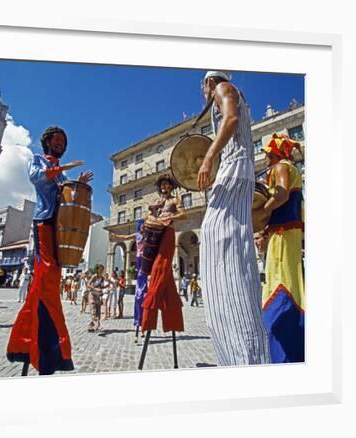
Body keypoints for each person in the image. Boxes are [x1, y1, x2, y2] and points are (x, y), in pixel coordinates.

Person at [6, 126, 93, 375]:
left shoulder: (61, 176)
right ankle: (53, 346)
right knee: (47, 276)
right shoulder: (39, 160)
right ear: (48, 142)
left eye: (63, 142)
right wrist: (63, 170)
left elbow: (65, 195)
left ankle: (24, 344)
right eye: (57, 140)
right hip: (44, 221)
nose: (60, 144)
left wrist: (78, 184)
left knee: (46, 282)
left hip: (60, 224)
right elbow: (37, 177)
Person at [197, 70, 270, 366]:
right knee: (225, 241)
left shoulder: (224, 88)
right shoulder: (227, 93)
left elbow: (231, 120)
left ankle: (243, 352)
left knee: (217, 235)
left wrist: (207, 157)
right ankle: (236, 349)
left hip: (235, 168)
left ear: (207, 83)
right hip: (236, 171)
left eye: (202, 87)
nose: (203, 93)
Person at [253, 133, 305, 363]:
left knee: (280, 282)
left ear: (274, 153)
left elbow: (282, 194)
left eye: (266, 153)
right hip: (286, 233)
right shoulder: (291, 168)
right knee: (292, 282)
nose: (264, 158)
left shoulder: (281, 166)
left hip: (283, 236)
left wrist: (263, 210)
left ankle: (285, 351)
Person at [140, 175, 186, 334]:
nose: (165, 187)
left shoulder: (175, 201)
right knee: (163, 275)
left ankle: (150, 311)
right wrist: (153, 209)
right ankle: (173, 320)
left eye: (167, 185)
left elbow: (183, 214)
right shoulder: (158, 201)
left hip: (168, 232)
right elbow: (149, 217)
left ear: (170, 187)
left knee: (160, 266)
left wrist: (169, 217)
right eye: (163, 185)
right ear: (160, 187)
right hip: (156, 233)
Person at [87, 264, 106, 332]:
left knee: (98, 312)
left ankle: (90, 326)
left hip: (98, 296)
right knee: (93, 310)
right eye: (100, 269)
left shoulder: (102, 278)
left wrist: (107, 287)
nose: (102, 271)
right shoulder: (94, 276)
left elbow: (100, 287)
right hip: (92, 295)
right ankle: (98, 325)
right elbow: (88, 285)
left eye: (102, 269)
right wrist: (95, 288)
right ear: (97, 270)